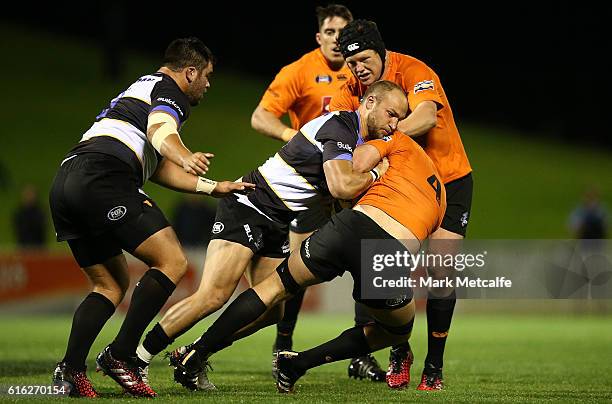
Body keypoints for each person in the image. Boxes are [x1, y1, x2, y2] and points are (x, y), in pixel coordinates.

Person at [135, 80, 407, 391]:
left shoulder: (356, 141)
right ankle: (137, 358)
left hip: (277, 220)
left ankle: (194, 352)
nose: (394, 124)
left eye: (399, 118)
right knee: (213, 295)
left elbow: (340, 195)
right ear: (369, 102)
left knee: (270, 310)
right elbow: (342, 187)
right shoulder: (341, 125)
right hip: (249, 206)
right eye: (391, 114)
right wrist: (375, 174)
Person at [170, 109, 447, 394]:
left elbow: (356, 165)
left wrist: (373, 173)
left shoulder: (397, 143)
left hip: (346, 228)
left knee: (273, 288)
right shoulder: (443, 198)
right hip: (385, 249)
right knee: (396, 330)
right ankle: (298, 363)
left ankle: (196, 352)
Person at [48, 37, 254, 398]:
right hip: (104, 178)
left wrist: (211, 187)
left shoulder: (139, 88)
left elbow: (154, 167)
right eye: (207, 75)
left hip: (67, 181)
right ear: (189, 72)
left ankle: (70, 371)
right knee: (172, 260)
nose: (208, 83)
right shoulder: (168, 89)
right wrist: (185, 154)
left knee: (109, 286)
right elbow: (162, 131)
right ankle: (122, 355)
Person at [332, 20, 473, 390]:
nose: (358, 68)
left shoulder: (413, 70)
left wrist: (385, 139)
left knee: (441, 273)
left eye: (363, 59)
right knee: (386, 272)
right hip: (399, 188)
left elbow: (426, 116)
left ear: (380, 51)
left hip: (449, 179)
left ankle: (435, 367)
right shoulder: (351, 91)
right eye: (351, 63)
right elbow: (338, 132)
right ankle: (399, 349)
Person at [250, 4, 386, 380]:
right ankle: (283, 343)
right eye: (330, 33)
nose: (337, 42)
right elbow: (260, 116)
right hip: (313, 185)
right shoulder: (299, 71)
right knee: (299, 267)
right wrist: (291, 136)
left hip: (353, 179)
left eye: (343, 35)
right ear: (319, 36)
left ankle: (361, 353)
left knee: (368, 260)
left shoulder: (363, 74)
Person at [13, 184, 47, 249]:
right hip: (23, 247)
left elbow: (41, 231)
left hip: (38, 247)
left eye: (31, 195)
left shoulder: (40, 212)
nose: (29, 198)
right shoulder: (19, 213)